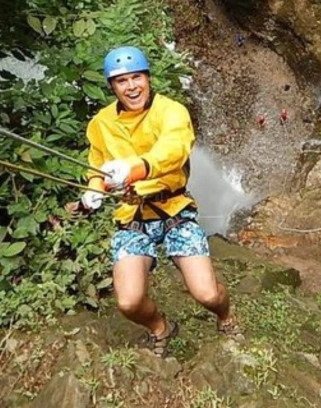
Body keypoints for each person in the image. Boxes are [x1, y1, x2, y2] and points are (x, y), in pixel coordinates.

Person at [78, 46, 240, 357]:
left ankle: (225, 315)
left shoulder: (171, 111)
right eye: (121, 81)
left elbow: (174, 149)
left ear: (148, 78)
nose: (131, 87)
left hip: (174, 209)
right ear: (112, 87)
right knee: (128, 301)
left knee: (207, 294)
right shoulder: (101, 123)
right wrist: (94, 188)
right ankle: (160, 327)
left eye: (136, 77)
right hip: (132, 215)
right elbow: (96, 165)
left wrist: (133, 168)